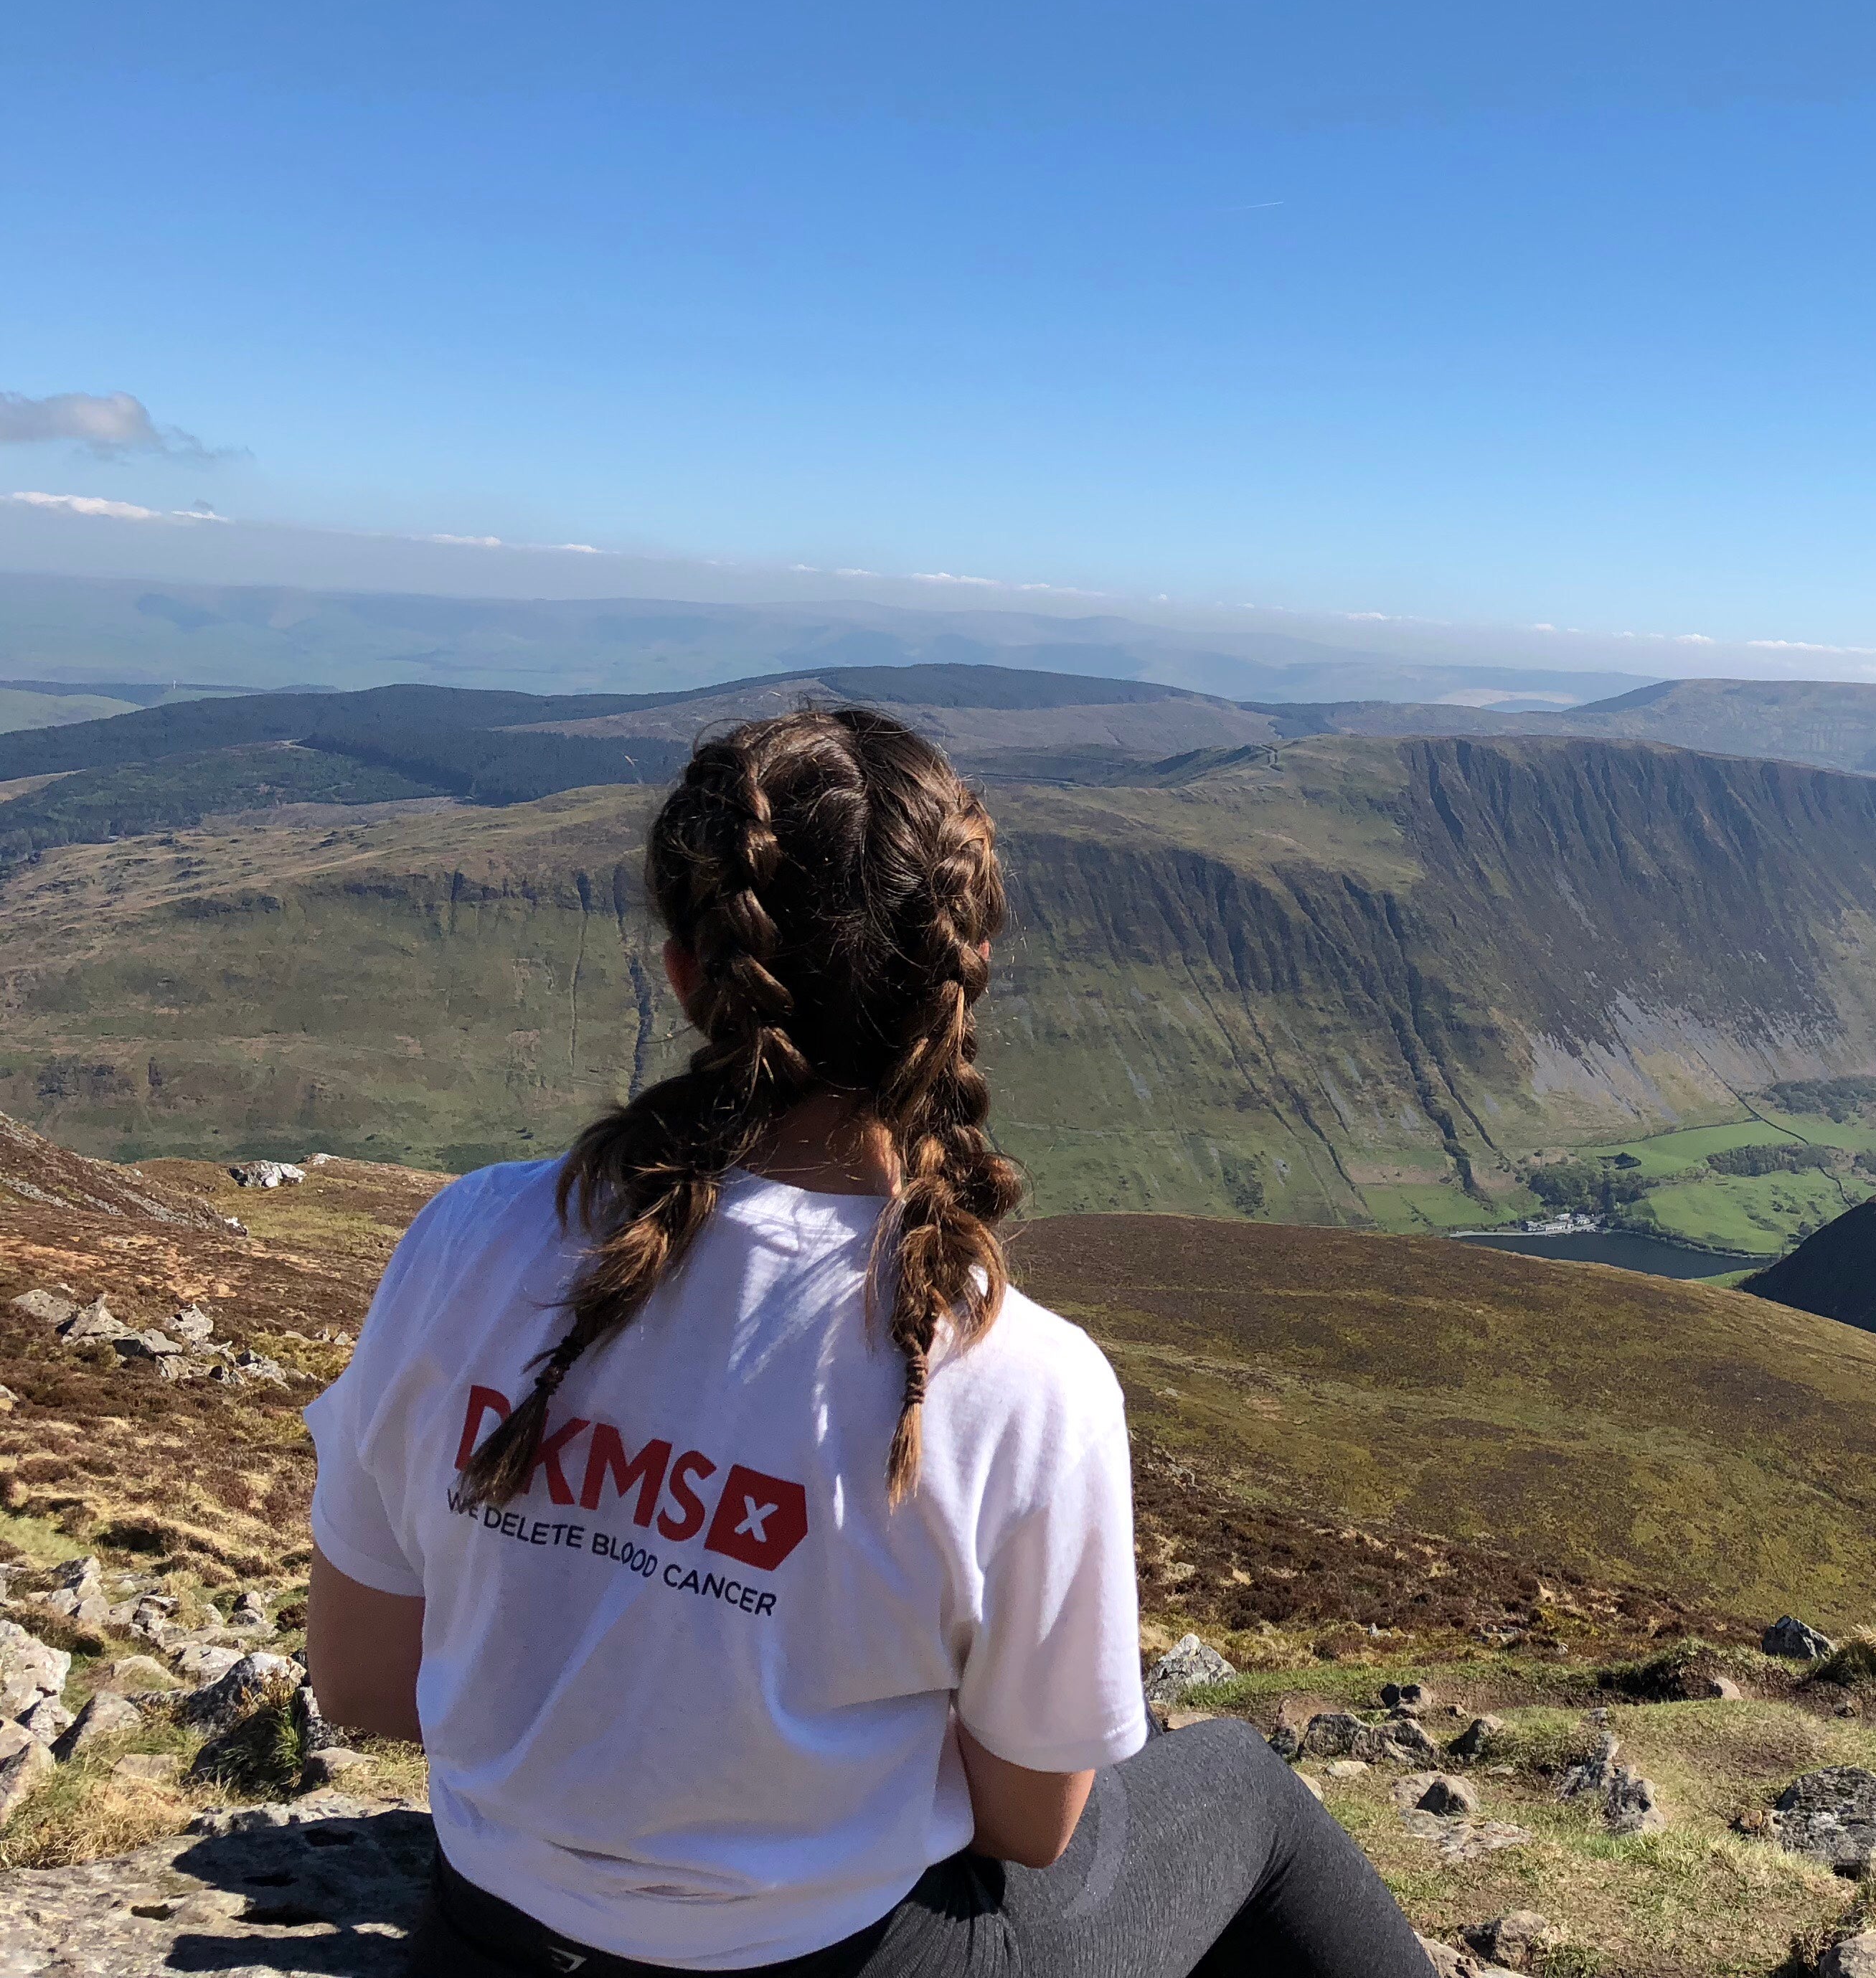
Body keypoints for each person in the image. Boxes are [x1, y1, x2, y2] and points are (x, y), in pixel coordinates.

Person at [303, 705, 1433, 1978]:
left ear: (687, 975)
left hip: (486, 1946)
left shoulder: (464, 1239)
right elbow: (1029, 1824)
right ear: (961, 977)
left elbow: (358, 1682)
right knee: (1234, 1785)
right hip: (845, 1963)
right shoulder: (1016, 1378)